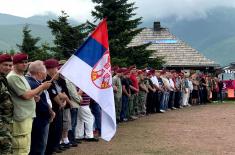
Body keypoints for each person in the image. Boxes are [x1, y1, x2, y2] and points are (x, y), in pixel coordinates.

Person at [7, 53, 51, 155]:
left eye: (26, 62)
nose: (25, 64)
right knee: (20, 147)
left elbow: (28, 94)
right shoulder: (13, 77)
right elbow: (26, 95)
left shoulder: (20, 76)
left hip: (26, 115)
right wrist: (42, 87)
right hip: (20, 117)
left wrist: (34, 97)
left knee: (25, 147)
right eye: (21, 62)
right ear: (15, 64)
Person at [26, 60, 54, 155]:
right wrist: (50, 112)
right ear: (39, 73)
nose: (46, 73)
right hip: (39, 120)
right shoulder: (34, 84)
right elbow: (40, 104)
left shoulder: (31, 82)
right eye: (45, 71)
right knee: (38, 146)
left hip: (36, 119)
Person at [0, 54, 13, 155]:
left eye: (10, 65)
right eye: (5, 65)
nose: (8, 67)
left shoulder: (3, 79)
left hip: (6, 123)